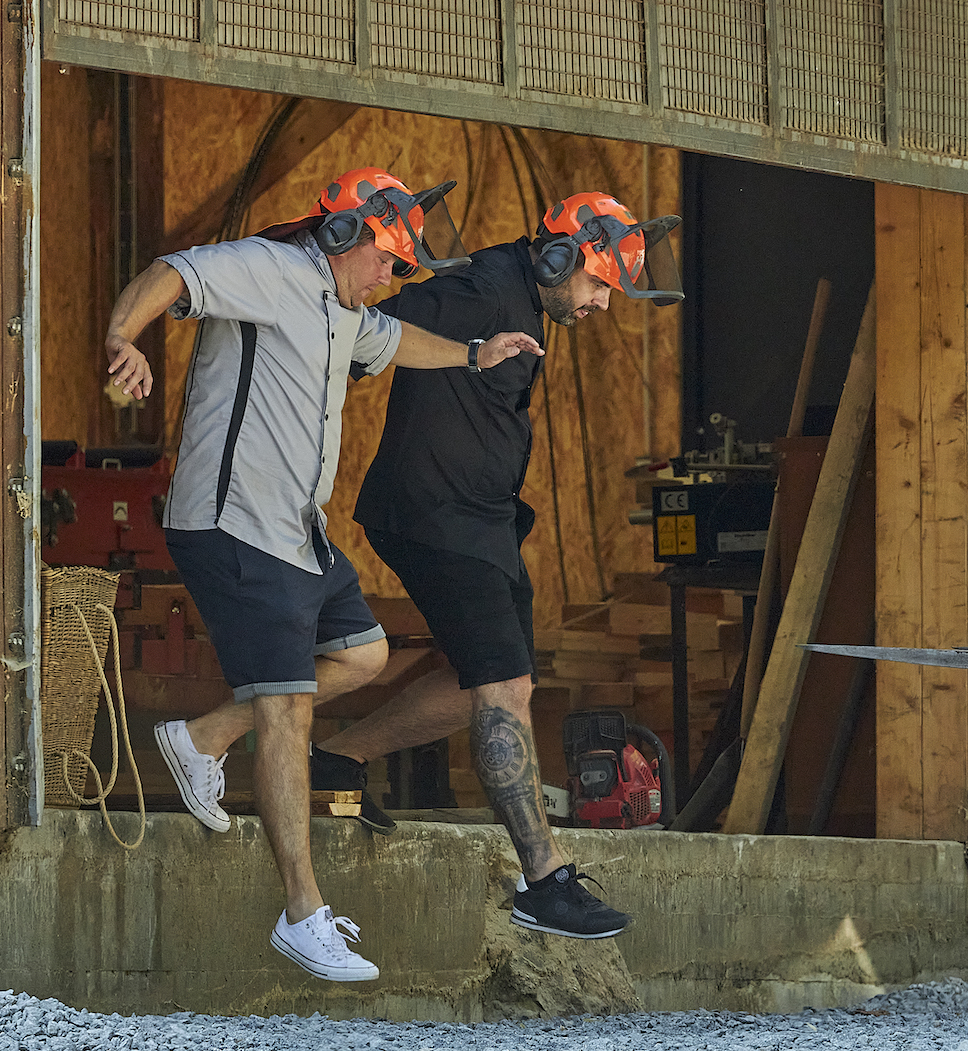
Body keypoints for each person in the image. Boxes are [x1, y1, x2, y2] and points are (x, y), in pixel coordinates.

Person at [104, 167, 542, 982]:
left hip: (297, 534)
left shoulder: (347, 311)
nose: (393, 278)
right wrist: (121, 339)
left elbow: (394, 342)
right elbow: (174, 272)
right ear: (342, 235)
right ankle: (302, 913)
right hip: (233, 522)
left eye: (403, 269)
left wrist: (475, 353)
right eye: (387, 260)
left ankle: (201, 739)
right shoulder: (269, 271)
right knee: (289, 709)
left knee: (366, 655)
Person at [308, 193, 684, 940]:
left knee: (487, 682)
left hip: (485, 523)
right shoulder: (478, 287)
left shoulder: (522, 295)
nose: (603, 303)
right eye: (598, 284)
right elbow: (364, 321)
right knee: (502, 686)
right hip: (433, 514)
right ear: (557, 258)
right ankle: (544, 878)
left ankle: (334, 758)